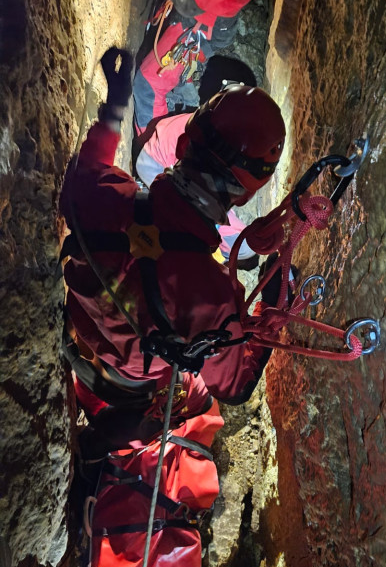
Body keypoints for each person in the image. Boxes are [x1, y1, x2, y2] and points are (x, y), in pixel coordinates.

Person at [60, 47, 285, 452]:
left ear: (183, 145)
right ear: (244, 193)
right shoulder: (211, 296)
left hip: (82, 334)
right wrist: (272, 307)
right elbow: (235, 385)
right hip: (133, 378)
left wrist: (115, 104)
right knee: (198, 390)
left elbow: (88, 165)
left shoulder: (105, 195)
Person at [135, 55, 258, 266]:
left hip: (158, 154)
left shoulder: (204, 129)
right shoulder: (197, 130)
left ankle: (236, 248)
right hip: (155, 158)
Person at [133, 0, 256, 132]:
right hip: (207, 20)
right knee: (178, 77)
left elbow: (188, 1)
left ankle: (153, 143)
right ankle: (182, 92)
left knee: (148, 87)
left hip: (200, 22)